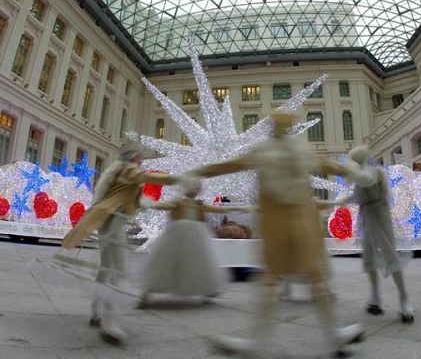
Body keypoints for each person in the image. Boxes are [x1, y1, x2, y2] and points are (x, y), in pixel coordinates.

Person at [186, 112, 365, 357]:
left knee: (274, 281)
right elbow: (328, 164)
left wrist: (198, 171)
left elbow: (229, 165)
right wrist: (351, 171)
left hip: (280, 225)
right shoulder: (298, 150)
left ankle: (259, 342)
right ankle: (333, 336)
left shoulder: (265, 150)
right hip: (302, 223)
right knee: (313, 281)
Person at [62, 140, 179, 345]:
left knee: (107, 269)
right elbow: (145, 176)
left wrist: (170, 205)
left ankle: (96, 312)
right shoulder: (129, 170)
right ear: (134, 157)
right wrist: (175, 178)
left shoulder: (125, 172)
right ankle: (109, 322)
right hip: (112, 224)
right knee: (119, 270)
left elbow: (142, 201)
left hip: (110, 223)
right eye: (140, 155)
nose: (143, 158)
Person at [138, 176, 252, 307]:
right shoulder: (179, 203)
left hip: (196, 234)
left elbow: (216, 209)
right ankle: (150, 291)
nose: (193, 191)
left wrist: (237, 208)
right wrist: (148, 202)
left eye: (195, 189)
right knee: (170, 261)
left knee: (200, 261)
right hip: (178, 234)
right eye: (191, 188)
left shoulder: (199, 205)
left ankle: (208, 289)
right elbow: (164, 206)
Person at [340, 146, 414, 323]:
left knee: (390, 256)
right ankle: (375, 296)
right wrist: (332, 202)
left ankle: (404, 297)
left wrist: (349, 169)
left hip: (380, 216)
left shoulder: (374, 171)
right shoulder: (359, 177)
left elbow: (366, 180)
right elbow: (354, 196)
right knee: (369, 258)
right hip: (366, 218)